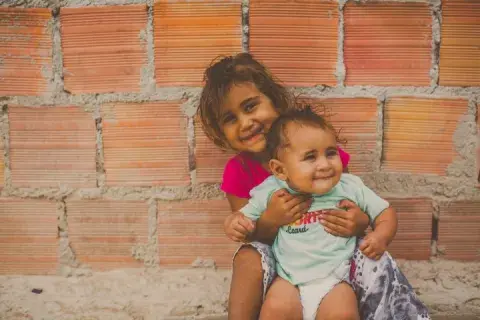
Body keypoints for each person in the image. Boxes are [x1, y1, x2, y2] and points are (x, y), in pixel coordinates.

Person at [197, 52, 431, 320]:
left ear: (274, 101)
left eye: (250, 107)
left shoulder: (323, 157)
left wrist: (359, 222)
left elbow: (350, 199)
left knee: (375, 262)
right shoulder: (239, 171)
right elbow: (246, 232)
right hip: (282, 264)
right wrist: (272, 219)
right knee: (247, 258)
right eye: (230, 119)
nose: (245, 123)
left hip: (334, 261)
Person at [238, 106, 398, 320]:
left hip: (336, 279)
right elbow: (243, 217)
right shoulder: (272, 190)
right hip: (288, 279)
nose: (324, 164)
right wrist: (235, 223)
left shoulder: (349, 186)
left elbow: (386, 213)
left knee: (343, 314)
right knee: (275, 311)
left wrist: (381, 236)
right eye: (310, 157)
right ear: (280, 170)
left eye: (331, 153)